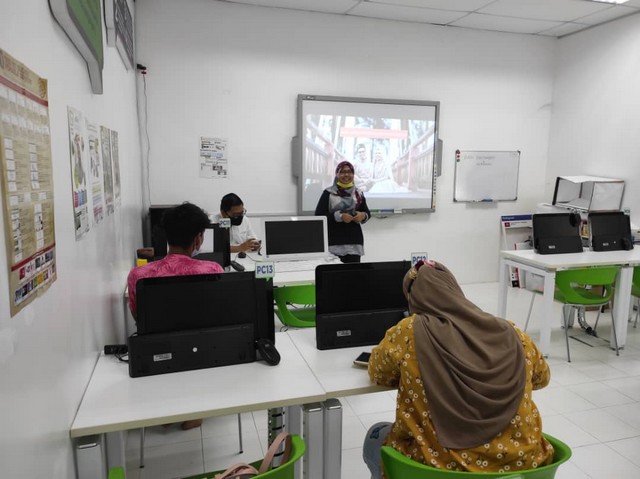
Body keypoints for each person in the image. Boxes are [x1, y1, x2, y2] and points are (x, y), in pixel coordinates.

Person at [363, 260, 553, 478]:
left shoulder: (409, 332)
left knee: (375, 435)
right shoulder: (512, 332)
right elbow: (541, 378)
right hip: (522, 465)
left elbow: (378, 373)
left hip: (436, 468)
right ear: (454, 290)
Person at [127, 202, 224, 431]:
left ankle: (167, 409)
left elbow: (138, 316)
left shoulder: (138, 275)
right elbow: (220, 315)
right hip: (204, 352)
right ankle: (195, 409)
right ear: (198, 239)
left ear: (166, 235)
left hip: (157, 354)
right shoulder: (213, 270)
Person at [314, 160, 370, 263]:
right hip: (334, 242)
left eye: (350, 172)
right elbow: (319, 216)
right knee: (335, 272)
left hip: (354, 242)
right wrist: (339, 216)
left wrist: (363, 216)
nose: (347, 175)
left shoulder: (358, 193)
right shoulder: (329, 193)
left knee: (354, 272)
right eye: (343, 172)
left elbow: (367, 213)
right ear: (337, 174)